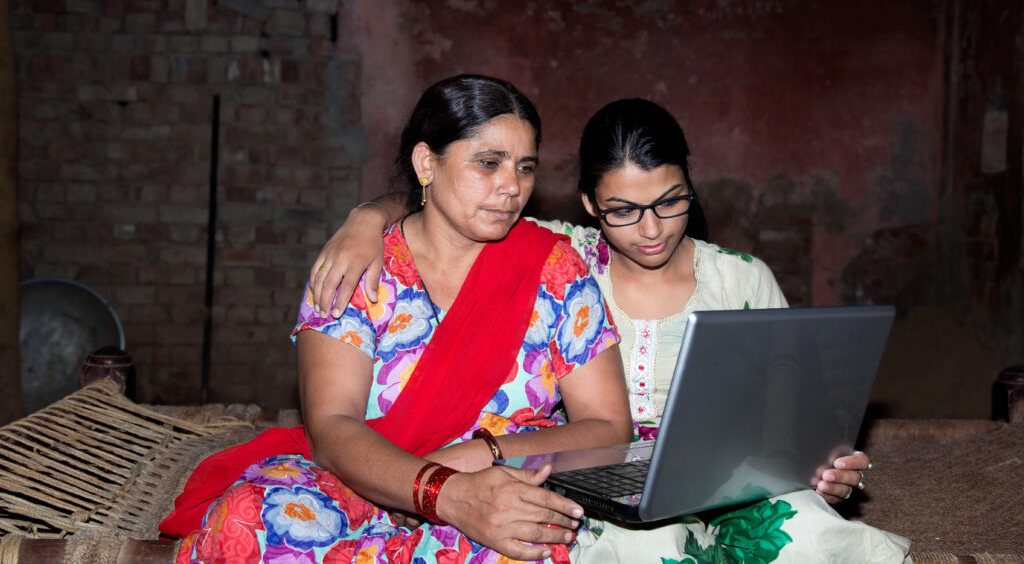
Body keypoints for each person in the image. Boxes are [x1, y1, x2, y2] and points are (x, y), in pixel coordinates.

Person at [307, 98, 913, 562]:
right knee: (645, 546)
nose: (651, 229)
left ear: (689, 187)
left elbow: (790, 414)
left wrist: (821, 470)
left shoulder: (741, 279)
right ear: (590, 206)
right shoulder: (560, 255)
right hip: (594, 474)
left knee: (812, 536)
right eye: (622, 210)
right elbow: (451, 205)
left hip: (728, 474)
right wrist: (366, 217)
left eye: (670, 202)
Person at [164, 75, 635, 563]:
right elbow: (332, 427)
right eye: (488, 163)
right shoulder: (361, 267)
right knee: (252, 517)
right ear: (427, 162)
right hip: (361, 483)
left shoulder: (553, 272)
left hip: (501, 487)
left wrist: (482, 454)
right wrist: (442, 491)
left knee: (516, 545)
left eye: (525, 167)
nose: (513, 187)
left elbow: (607, 427)